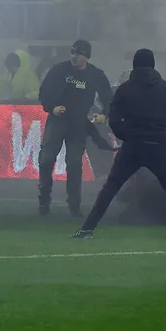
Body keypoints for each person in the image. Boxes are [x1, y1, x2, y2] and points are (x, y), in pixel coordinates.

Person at [73, 49, 166, 239]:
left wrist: (125, 136)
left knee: (110, 188)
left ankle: (87, 229)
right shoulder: (165, 88)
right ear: (153, 64)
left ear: (134, 65)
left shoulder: (125, 89)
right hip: (159, 145)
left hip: (133, 146)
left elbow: (114, 120)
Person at [37, 39, 113, 217]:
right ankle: (44, 201)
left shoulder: (95, 74)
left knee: (74, 164)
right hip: (57, 121)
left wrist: (104, 114)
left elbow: (108, 97)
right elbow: (44, 92)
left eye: (79, 54)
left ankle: (74, 206)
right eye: (72, 52)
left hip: (78, 124)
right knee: (46, 160)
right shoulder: (59, 70)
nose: (74, 57)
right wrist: (52, 107)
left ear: (87, 57)